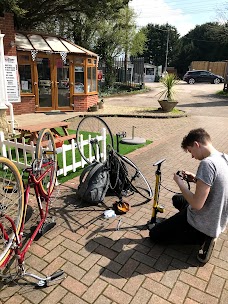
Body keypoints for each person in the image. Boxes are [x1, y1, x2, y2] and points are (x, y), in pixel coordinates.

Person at [149, 128, 228, 263]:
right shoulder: (224, 157)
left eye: (191, 151)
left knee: (154, 234)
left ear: (197, 144)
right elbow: (217, 185)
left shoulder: (207, 164)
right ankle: (207, 233)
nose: (192, 156)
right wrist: (195, 179)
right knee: (177, 199)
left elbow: (197, 205)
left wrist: (180, 183)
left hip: (202, 223)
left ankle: (205, 239)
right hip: (218, 219)